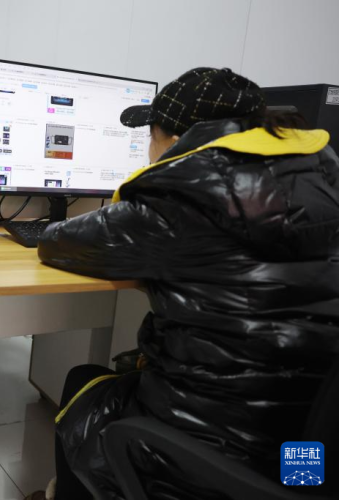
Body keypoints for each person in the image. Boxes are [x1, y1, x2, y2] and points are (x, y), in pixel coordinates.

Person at [27, 67, 339, 499]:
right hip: (308, 455)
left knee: (85, 382)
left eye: (150, 136)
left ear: (175, 142)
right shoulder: (322, 177)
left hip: (222, 449)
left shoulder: (185, 194)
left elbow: (58, 244)